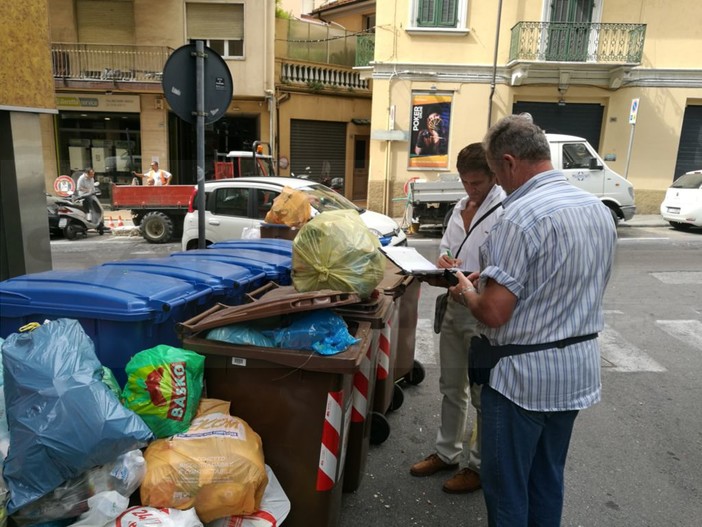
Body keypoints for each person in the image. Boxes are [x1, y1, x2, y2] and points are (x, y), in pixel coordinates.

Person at [450, 115, 617, 525]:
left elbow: (493, 312)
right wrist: (490, 279)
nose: (498, 184)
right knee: (547, 480)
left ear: (508, 162)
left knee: (507, 493)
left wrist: (467, 291)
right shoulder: (596, 210)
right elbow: (558, 282)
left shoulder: (519, 216)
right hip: (575, 371)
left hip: (521, 381)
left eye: (495, 173)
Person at [409, 143, 505, 493]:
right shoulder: (459, 208)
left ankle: (478, 467)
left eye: (477, 182)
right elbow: (446, 249)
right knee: (451, 387)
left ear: (494, 176)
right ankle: (446, 452)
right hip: (453, 305)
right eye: (465, 182)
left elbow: (502, 266)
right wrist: (445, 260)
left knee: (481, 393)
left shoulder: (503, 211)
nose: (470, 189)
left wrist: (469, 277)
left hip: (481, 311)